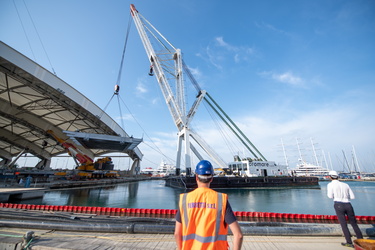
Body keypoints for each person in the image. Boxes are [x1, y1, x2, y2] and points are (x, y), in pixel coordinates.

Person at [174, 160, 243, 250]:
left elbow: (177, 234)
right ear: (211, 178)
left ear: (196, 177)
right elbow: (238, 235)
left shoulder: (185, 200)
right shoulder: (220, 200)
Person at [327, 170, 363, 248]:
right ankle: (361, 241)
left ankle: (349, 242)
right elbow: (353, 197)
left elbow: (330, 196)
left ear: (330, 177)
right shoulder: (345, 184)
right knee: (354, 223)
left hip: (338, 204)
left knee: (344, 224)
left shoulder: (330, 185)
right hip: (348, 204)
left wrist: (337, 196)